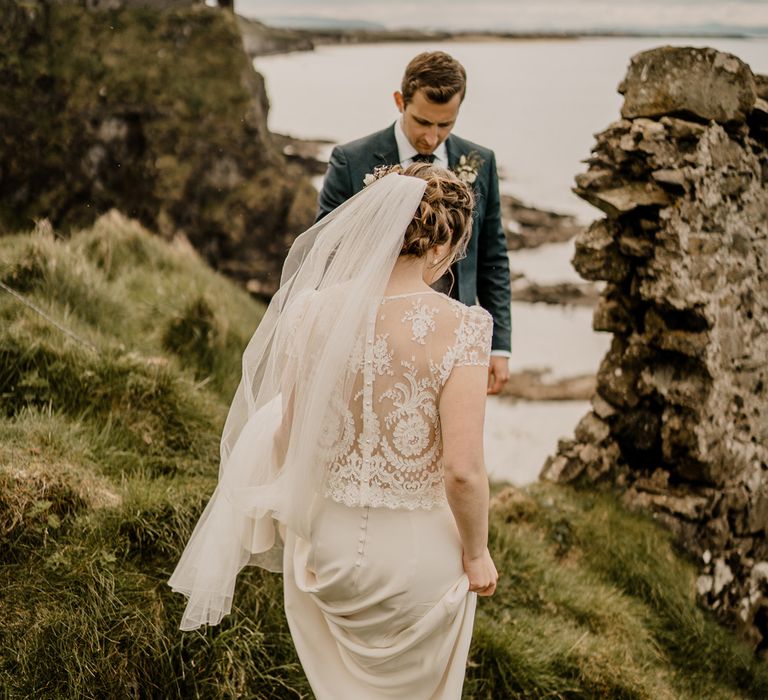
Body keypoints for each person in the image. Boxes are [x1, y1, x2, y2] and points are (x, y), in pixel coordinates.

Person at [169, 164, 498, 699]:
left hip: (329, 553)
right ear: (442, 245)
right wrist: (478, 553)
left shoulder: (310, 312)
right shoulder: (464, 327)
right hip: (420, 562)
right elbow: (461, 470)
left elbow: (288, 437)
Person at [317, 50, 512, 395]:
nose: (432, 137)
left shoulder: (481, 161)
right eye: (423, 122)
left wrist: (499, 346)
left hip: (452, 339)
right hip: (373, 337)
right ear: (399, 101)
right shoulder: (351, 161)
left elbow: (493, 256)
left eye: (445, 124)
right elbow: (328, 252)